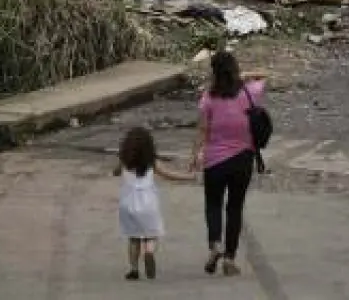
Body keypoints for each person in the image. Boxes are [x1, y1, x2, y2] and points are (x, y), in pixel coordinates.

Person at [189, 50, 267, 277]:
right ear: (234, 69)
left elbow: (202, 130)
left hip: (214, 160)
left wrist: (194, 155)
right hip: (243, 159)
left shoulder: (208, 98)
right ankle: (230, 258)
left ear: (213, 72)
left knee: (213, 204)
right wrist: (242, 76)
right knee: (235, 208)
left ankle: (215, 244)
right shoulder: (250, 91)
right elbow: (264, 75)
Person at [114, 126, 194, 281]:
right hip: (148, 204)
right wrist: (189, 177)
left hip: (127, 204)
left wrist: (118, 168)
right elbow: (169, 175)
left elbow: (116, 172)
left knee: (133, 238)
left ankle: (134, 269)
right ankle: (149, 252)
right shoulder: (152, 163)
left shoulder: (124, 161)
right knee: (151, 235)